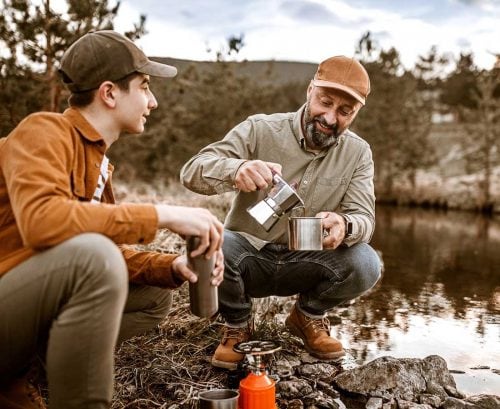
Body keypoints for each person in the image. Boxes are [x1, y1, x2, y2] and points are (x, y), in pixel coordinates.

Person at [0, 30, 224, 409]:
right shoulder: (43, 131)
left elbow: (100, 254)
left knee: (154, 294)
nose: (152, 102)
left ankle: (44, 367)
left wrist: (173, 266)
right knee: (95, 260)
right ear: (109, 93)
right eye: (145, 86)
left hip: (25, 303)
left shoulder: (97, 162)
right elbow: (44, 222)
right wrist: (163, 215)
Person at [180, 55, 382, 369]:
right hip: (247, 258)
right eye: (324, 102)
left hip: (306, 259)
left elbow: (364, 219)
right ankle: (237, 323)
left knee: (366, 262)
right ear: (309, 90)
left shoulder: (358, 153)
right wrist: (237, 169)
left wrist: (345, 223)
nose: (330, 118)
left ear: (356, 113)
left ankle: (307, 316)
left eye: (344, 111)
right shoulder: (260, 129)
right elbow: (192, 171)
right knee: (214, 242)